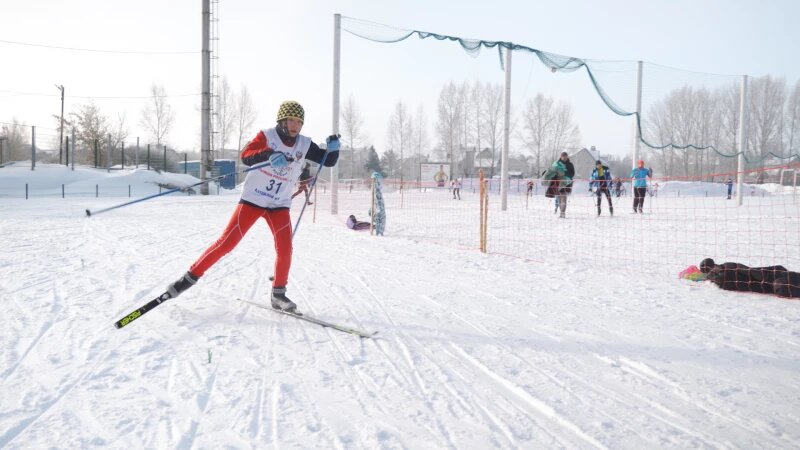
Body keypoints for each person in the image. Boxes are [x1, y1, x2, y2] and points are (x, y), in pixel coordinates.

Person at [164, 100, 340, 313]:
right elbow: (246, 155)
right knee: (226, 243)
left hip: (279, 204)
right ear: (282, 121)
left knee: (285, 248)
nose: (295, 125)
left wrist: (333, 150)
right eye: (291, 120)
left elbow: (327, 162)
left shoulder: (304, 144)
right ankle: (187, 279)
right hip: (253, 200)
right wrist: (268, 154)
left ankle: (278, 295)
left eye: (299, 121)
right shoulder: (267, 136)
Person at [699, 258, 800, 298]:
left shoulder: (727, 266)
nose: (713, 268)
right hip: (773, 283)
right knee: (781, 287)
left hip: (770, 277)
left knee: (781, 282)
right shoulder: (720, 277)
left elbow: (750, 271)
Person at [544, 151, 574, 218]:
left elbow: (572, 173)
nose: (564, 158)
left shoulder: (570, 165)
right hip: (557, 183)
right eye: (563, 156)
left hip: (566, 183)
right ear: (561, 157)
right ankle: (561, 212)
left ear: (567, 157)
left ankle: (563, 212)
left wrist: (564, 173)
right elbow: (551, 171)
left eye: (565, 156)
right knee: (559, 198)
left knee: (563, 198)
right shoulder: (556, 164)